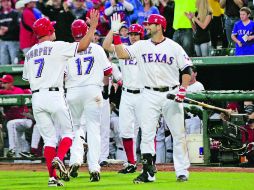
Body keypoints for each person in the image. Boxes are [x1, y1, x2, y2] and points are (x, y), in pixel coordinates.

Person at [111, 13, 192, 183]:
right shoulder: (141, 45)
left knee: (178, 133)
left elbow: (187, 70)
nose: (147, 27)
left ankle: (181, 171)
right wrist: (116, 34)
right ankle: (148, 172)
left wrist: (183, 89)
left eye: (151, 24)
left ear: (160, 26)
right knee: (147, 134)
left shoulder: (174, 46)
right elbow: (121, 54)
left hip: (171, 93)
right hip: (148, 94)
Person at [22, 10, 99, 187]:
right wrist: (92, 27)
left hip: (37, 98)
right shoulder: (57, 46)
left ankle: (52, 178)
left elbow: (27, 78)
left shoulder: (30, 53)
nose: (54, 30)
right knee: (69, 134)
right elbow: (82, 46)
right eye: (52, 28)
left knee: (49, 140)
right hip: (54, 95)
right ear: (49, 31)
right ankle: (60, 157)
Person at [65, 19, 112, 182]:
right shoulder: (97, 49)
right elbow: (108, 71)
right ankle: (94, 167)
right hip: (92, 90)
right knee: (93, 129)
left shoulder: (67, 49)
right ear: (87, 31)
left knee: (76, 128)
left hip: (72, 91)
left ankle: (75, 160)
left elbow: (62, 76)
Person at [103, 23, 144, 174]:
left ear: (141, 36)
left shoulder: (146, 48)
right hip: (126, 94)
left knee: (146, 130)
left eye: (136, 34)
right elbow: (106, 45)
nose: (133, 36)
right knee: (125, 131)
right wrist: (113, 30)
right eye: (131, 34)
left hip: (143, 94)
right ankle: (131, 163)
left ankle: (148, 164)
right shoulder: (123, 48)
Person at [0, 0, 20, 65]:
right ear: (1, 3)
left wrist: (8, 29)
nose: (6, 3)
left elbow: (19, 26)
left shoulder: (16, 13)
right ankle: (5, 75)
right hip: (2, 41)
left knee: (15, 63)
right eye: (3, 1)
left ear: (11, 2)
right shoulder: (0, 14)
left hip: (14, 41)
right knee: (3, 62)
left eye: (8, 1)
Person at [240, 101, 254, 167]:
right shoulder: (243, 128)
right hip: (249, 158)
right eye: (247, 113)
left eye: (250, 113)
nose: (248, 115)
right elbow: (243, 143)